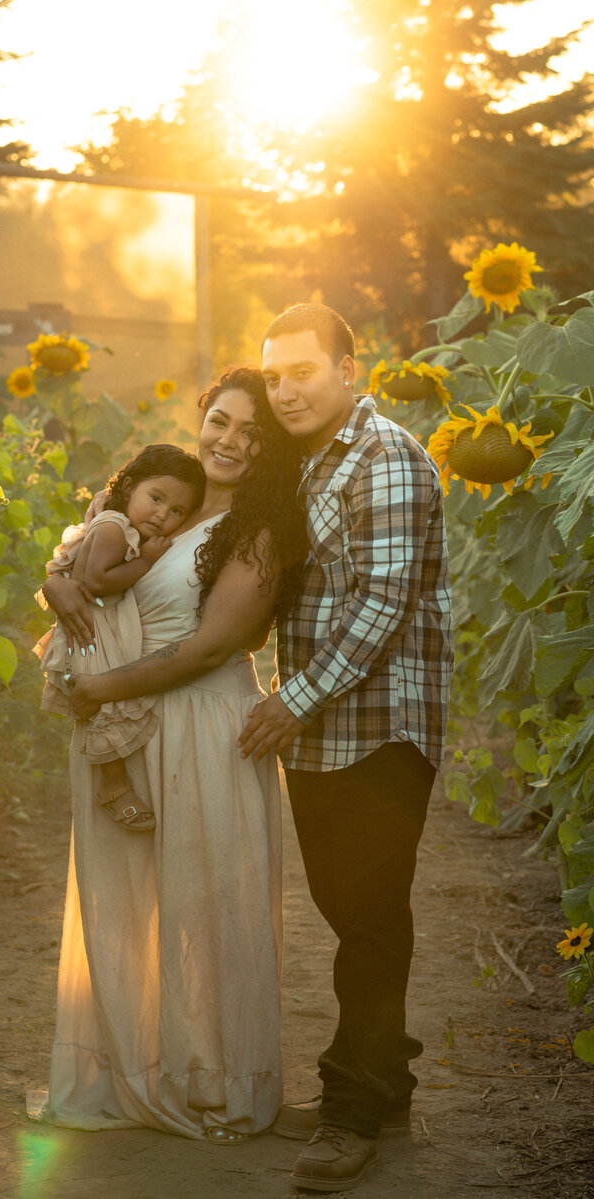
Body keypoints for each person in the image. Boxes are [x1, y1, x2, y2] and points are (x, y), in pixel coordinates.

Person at [31, 366, 307, 1142]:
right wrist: (57, 584)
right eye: (221, 420)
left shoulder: (257, 530)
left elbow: (214, 643)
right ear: (201, 415)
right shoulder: (162, 507)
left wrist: (99, 689)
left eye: (253, 433)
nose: (231, 440)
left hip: (207, 723)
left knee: (207, 905)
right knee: (127, 900)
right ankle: (134, 1068)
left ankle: (212, 1078)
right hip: (127, 718)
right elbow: (92, 575)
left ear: (270, 449)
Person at [237, 303, 454, 1192]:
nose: (286, 388)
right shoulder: (304, 462)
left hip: (383, 724)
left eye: (302, 370)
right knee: (348, 902)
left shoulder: (385, 457)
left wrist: (291, 698)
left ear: (348, 369)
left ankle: (352, 1110)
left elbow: (381, 601)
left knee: (366, 916)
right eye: (274, 374)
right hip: (327, 726)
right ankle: (386, 1078)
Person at [34, 443, 205, 833]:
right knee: (104, 703)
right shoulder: (113, 526)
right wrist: (146, 562)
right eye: (156, 499)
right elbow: (96, 581)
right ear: (129, 487)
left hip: (94, 628)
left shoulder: (121, 523)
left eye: (176, 511)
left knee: (107, 702)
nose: (162, 515)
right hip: (90, 632)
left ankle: (117, 782)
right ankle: (113, 787)